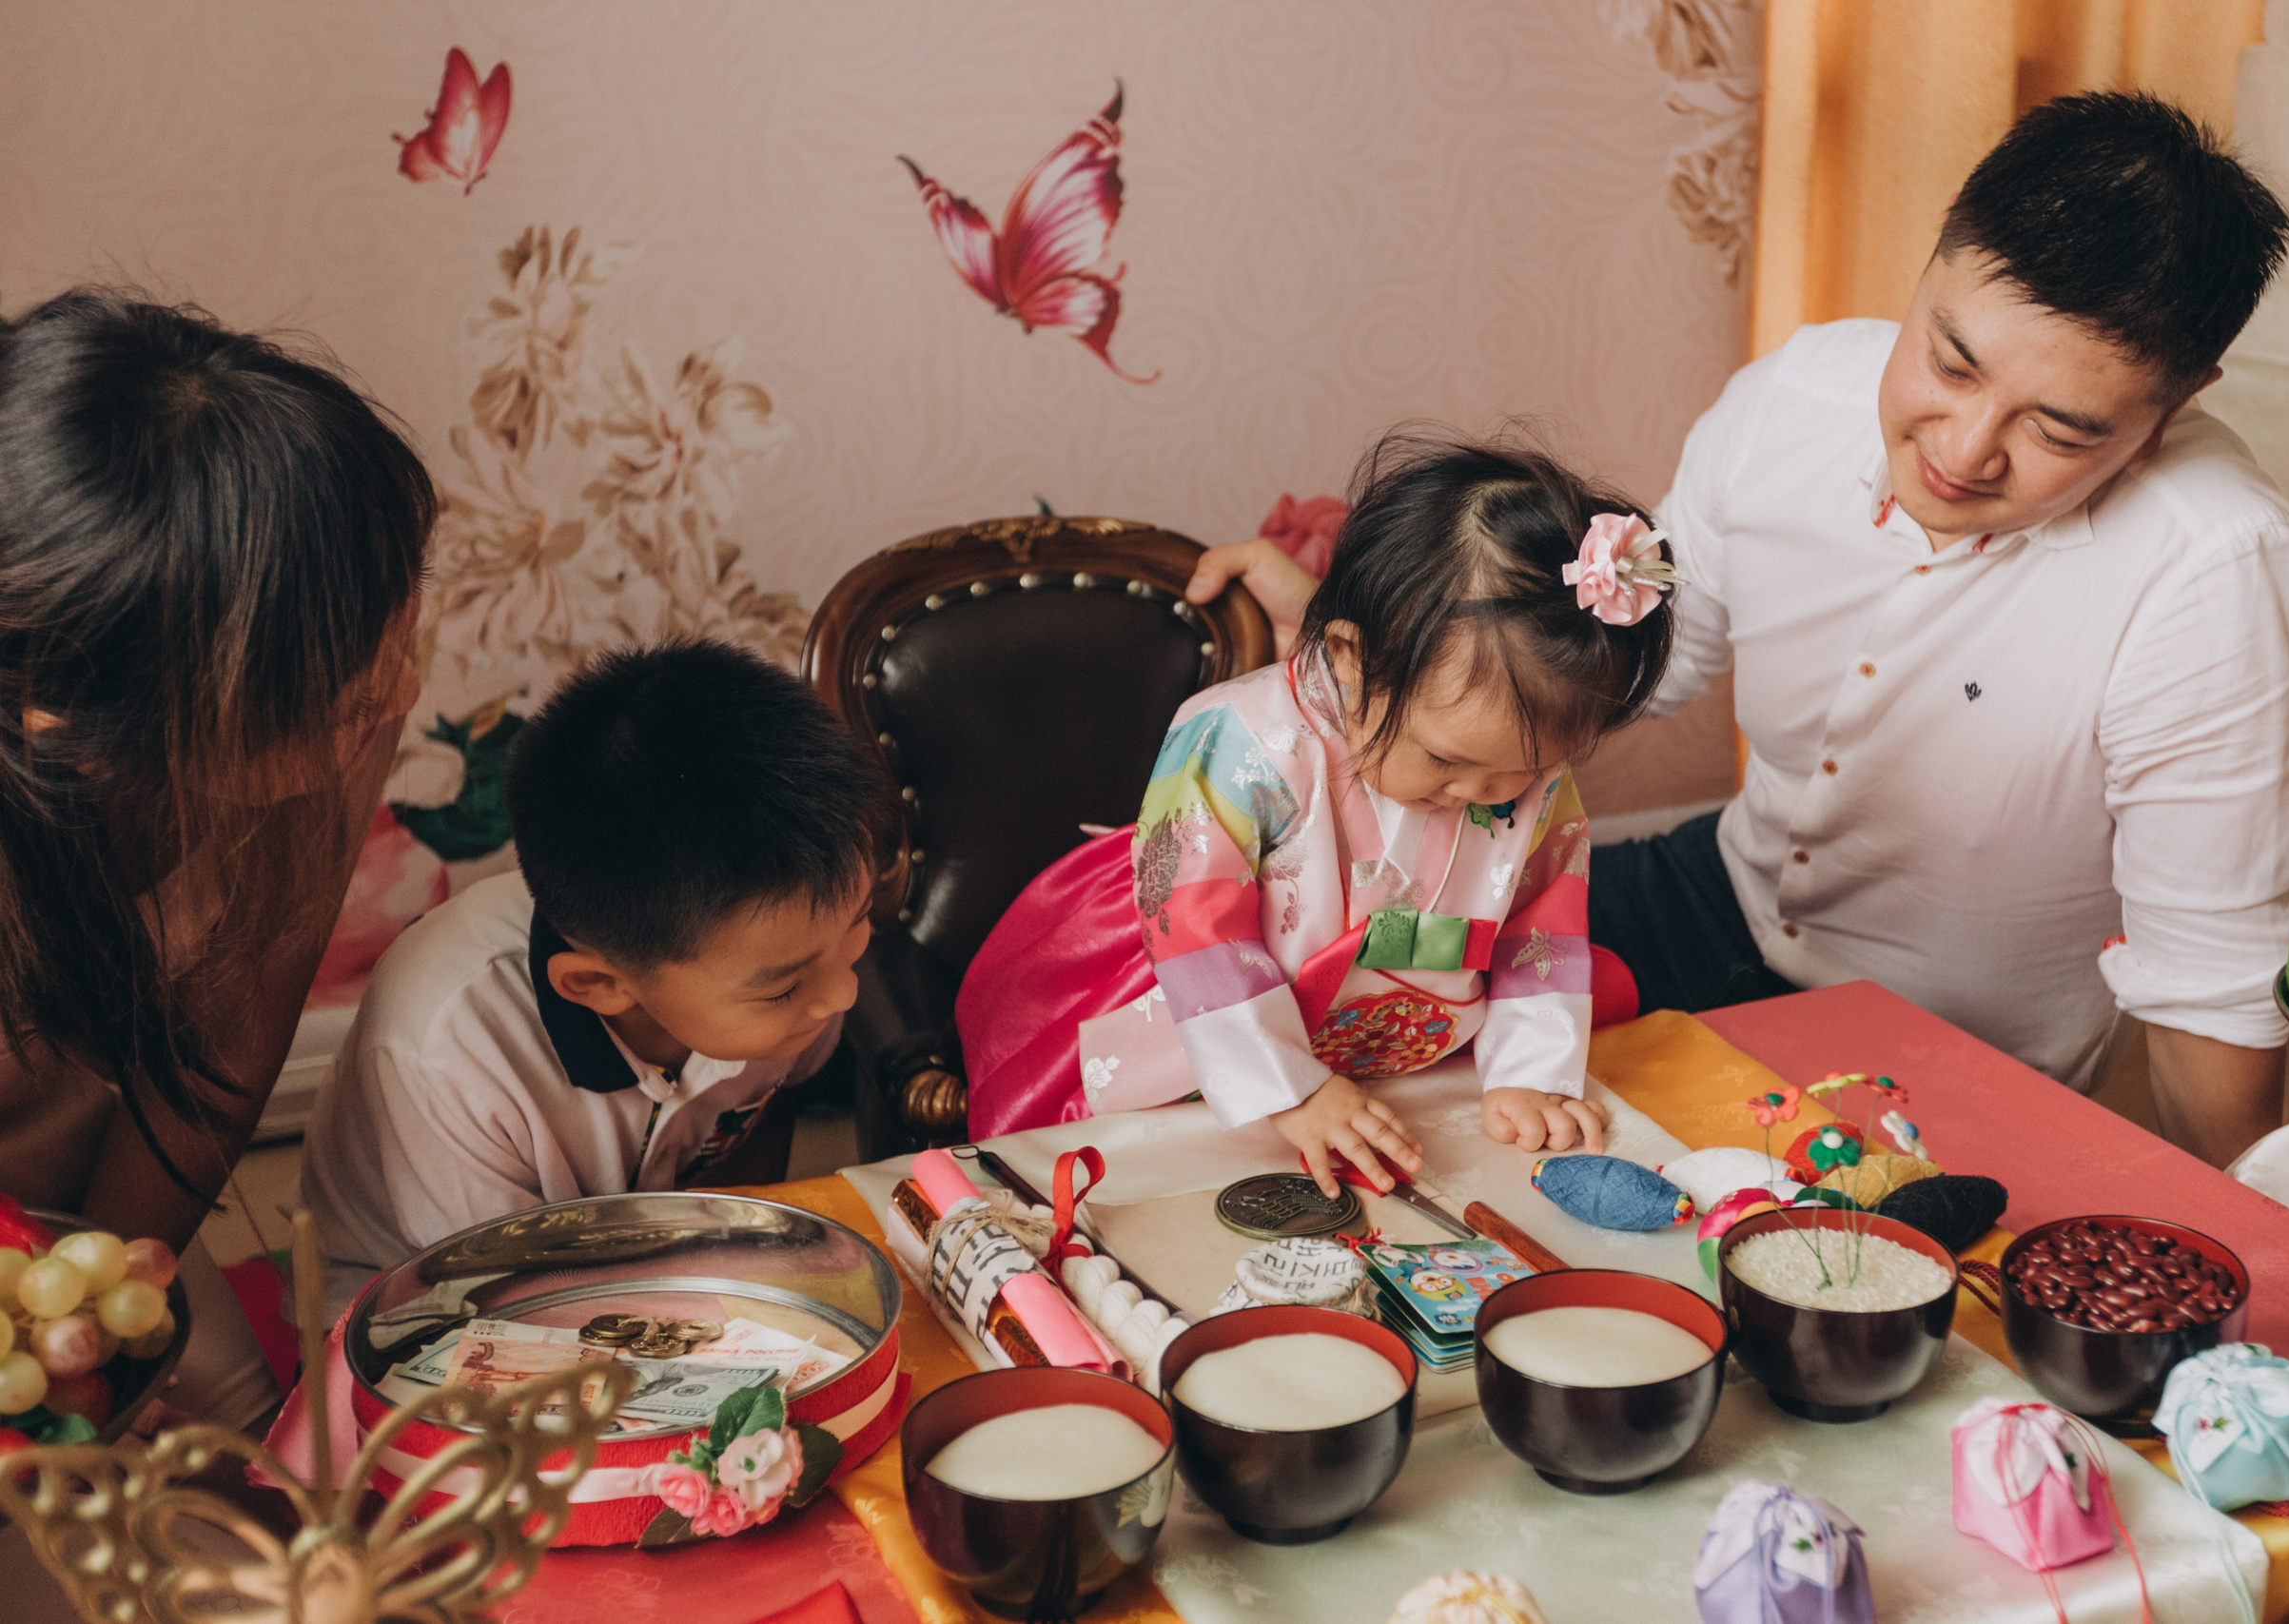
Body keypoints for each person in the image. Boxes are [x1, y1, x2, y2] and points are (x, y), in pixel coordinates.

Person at [1186, 93, 2289, 1169]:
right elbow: (1632, 662)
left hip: (1935, 1038)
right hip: (1721, 895)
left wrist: (2244, 1259)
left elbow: (2205, 996)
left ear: (2181, 398)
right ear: (1933, 254)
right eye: (1950, 361)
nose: (1961, 449)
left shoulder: (2223, 583)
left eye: (2058, 428)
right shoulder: (1794, 398)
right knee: (1269, 1026)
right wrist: (1404, 643)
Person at [961, 435, 1665, 1194]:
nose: (1483, 794)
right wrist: (1290, 1087)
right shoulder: (1239, 737)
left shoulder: (1524, 775)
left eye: (1523, 770)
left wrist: (1529, 1073)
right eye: (1444, 760)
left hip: (1408, 1039)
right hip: (1210, 1004)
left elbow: (1542, 923)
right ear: (1352, 656)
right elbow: (1198, 927)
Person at [0, 289, 431, 1430]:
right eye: (341, 702)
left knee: (264, 1521)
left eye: (399, 629)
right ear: (77, 736)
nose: (396, 692)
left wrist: (104, 1317)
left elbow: (221, 1056)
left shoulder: (331, 646)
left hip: (99, 1242)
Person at [292, 637, 886, 1299]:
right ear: (599, 985)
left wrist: (736, 1245)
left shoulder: (783, 970)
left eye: (860, 919)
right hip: (425, 1304)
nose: (843, 992)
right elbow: (494, 1302)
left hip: (643, 1256)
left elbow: (761, 1116)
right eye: (785, 986)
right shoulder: (451, 1053)